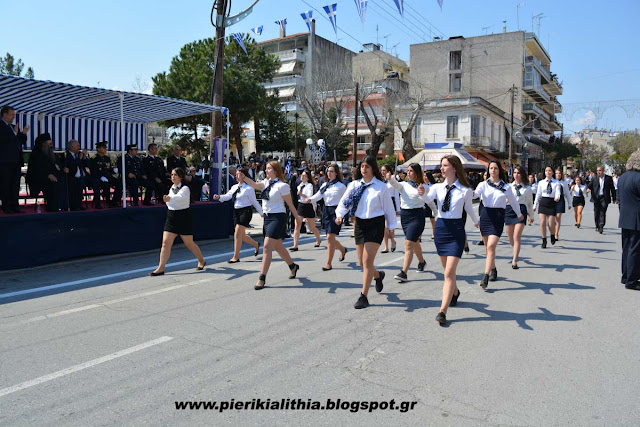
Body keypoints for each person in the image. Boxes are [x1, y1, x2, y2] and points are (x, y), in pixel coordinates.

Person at [424, 155, 479, 326]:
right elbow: (426, 200)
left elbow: (469, 208)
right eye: (441, 165)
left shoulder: (465, 190)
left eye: (445, 165)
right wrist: (422, 193)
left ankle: (442, 311)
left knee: (448, 273)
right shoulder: (437, 188)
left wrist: (477, 221)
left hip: (456, 232)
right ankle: (454, 292)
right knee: (447, 271)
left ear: (454, 168)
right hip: (441, 229)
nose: (442, 168)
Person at [335, 156, 396, 309]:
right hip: (360, 224)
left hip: (376, 224)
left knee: (367, 261)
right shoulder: (354, 185)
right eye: (362, 166)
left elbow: (389, 209)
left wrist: (392, 230)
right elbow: (345, 201)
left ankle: (364, 296)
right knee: (362, 262)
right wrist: (339, 215)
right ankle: (378, 275)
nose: (364, 169)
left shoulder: (381, 187)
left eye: (367, 166)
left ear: (373, 168)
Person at [244, 161, 302, 290]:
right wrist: (244, 177)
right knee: (278, 247)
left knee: (266, 246)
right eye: (266, 169)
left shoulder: (282, 186)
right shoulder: (265, 183)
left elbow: (290, 204)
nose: (266, 171)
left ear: (275, 171)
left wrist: (297, 218)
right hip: (267, 218)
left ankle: (262, 278)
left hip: (278, 218)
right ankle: (293, 266)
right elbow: (254, 184)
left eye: (269, 168)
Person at [474, 161, 523, 288]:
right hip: (485, 215)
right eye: (491, 168)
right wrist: (467, 192)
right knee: (487, 248)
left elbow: (513, 202)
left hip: (498, 217)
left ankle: (485, 276)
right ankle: (493, 269)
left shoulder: (506, 187)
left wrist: (519, 214)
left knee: (491, 246)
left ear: (499, 170)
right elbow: (475, 195)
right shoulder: (483, 185)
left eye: (495, 168)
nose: (493, 170)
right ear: (488, 170)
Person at [149, 168, 206, 276]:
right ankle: (161, 268)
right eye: (171, 174)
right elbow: (170, 202)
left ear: (180, 176)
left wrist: (169, 199)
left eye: (175, 175)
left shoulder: (185, 188)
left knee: (189, 243)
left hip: (183, 217)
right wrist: (169, 200)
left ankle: (201, 260)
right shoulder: (172, 188)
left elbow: (179, 198)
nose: (173, 177)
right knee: (165, 243)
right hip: (171, 216)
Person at [387, 163, 437, 282]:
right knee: (414, 243)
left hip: (417, 216)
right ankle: (422, 262)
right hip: (405, 216)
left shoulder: (424, 187)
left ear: (417, 173)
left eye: (411, 171)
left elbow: (429, 202)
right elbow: (395, 185)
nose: (408, 173)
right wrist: (390, 179)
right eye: (407, 171)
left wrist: (436, 213)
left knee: (408, 243)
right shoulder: (403, 185)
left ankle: (404, 272)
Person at [304, 164, 348, 270]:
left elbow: (346, 201)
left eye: (332, 171)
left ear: (336, 173)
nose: (329, 173)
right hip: (326, 211)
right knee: (331, 237)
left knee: (329, 237)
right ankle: (342, 249)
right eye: (328, 171)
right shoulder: (325, 185)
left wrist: (342, 215)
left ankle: (328, 263)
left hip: (336, 212)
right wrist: (310, 199)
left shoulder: (341, 186)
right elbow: (318, 195)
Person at [214, 167, 262, 263]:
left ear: (244, 175)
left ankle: (236, 257)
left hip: (246, 211)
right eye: (236, 174)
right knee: (242, 236)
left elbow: (254, 202)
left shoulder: (249, 188)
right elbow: (228, 196)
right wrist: (219, 197)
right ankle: (256, 244)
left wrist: (261, 212)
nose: (237, 176)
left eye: (239, 174)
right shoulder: (234, 187)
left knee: (237, 233)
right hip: (236, 211)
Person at [0, 106, 28, 214]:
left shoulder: (13, 127)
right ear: (4, 115)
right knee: (6, 184)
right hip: (5, 162)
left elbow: (20, 141)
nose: (13, 117)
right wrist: (15, 134)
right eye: (11, 114)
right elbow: (5, 139)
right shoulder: (1, 126)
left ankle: (15, 206)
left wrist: (23, 133)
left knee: (15, 185)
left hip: (16, 161)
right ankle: (6, 207)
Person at [618, 152, 640, 290]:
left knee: (626, 248)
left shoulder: (622, 177)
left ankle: (625, 276)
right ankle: (631, 280)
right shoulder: (638, 178)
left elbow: (619, 198)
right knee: (635, 250)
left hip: (625, 217)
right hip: (637, 218)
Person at [505, 166, 534, 269]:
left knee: (517, 236)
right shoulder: (508, 186)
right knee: (510, 236)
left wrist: (531, 215)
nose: (516, 175)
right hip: (509, 210)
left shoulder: (527, 188)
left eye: (518, 173)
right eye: (515, 173)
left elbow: (530, 203)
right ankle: (516, 250)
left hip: (521, 210)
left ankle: (514, 260)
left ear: (522, 175)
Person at [26, 133, 61, 212]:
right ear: (43, 144)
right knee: (52, 184)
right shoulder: (36, 155)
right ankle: (52, 208)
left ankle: (60, 205)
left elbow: (56, 166)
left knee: (60, 181)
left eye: (51, 144)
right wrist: (47, 175)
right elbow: (36, 170)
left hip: (50, 178)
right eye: (49, 144)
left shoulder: (51, 154)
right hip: (38, 179)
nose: (51, 146)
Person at [291, 169, 321, 251]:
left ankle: (318, 239)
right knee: (297, 224)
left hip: (308, 206)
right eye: (302, 175)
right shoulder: (299, 185)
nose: (302, 177)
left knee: (312, 226)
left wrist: (301, 194)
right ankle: (295, 245)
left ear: (308, 178)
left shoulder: (309, 186)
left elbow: (309, 196)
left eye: (304, 176)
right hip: (301, 205)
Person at [533, 166, 561, 248]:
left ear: (552, 172)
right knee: (542, 223)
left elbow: (558, 192)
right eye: (546, 171)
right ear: (544, 172)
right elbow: (538, 194)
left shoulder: (556, 182)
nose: (548, 172)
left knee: (551, 223)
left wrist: (557, 197)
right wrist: (535, 205)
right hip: (543, 202)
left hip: (552, 203)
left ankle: (552, 235)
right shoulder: (541, 182)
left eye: (549, 171)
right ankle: (544, 240)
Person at [62, 139, 90, 211]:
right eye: (77, 146)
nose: (79, 147)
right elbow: (71, 165)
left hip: (82, 176)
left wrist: (84, 157)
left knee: (94, 181)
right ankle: (75, 205)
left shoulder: (80, 154)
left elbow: (87, 164)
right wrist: (79, 158)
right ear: (71, 147)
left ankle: (79, 204)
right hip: (72, 176)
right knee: (76, 183)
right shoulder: (66, 155)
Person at [587, 166, 616, 234]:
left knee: (603, 212)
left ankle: (601, 226)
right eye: (597, 170)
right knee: (596, 212)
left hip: (604, 198)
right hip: (596, 197)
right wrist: (588, 189)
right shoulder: (594, 178)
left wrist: (614, 198)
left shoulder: (608, 178)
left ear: (603, 171)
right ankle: (597, 225)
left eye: (600, 170)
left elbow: (612, 188)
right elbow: (589, 185)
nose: (598, 172)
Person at [380, 164, 399, 253]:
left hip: (391, 204)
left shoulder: (393, 180)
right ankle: (386, 246)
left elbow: (396, 195)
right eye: (382, 170)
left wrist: (398, 208)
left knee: (390, 227)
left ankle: (392, 241)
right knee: (385, 227)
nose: (383, 172)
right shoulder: (380, 181)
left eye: (384, 170)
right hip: (382, 204)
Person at [553, 168, 573, 241]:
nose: (558, 174)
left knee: (558, 217)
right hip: (552, 200)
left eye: (559, 173)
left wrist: (569, 203)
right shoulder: (552, 182)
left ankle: (556, 234)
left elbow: (567, 193)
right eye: (556, 173)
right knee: (552, 219)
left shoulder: (564, 182)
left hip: (560, 200)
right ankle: (553, 231)